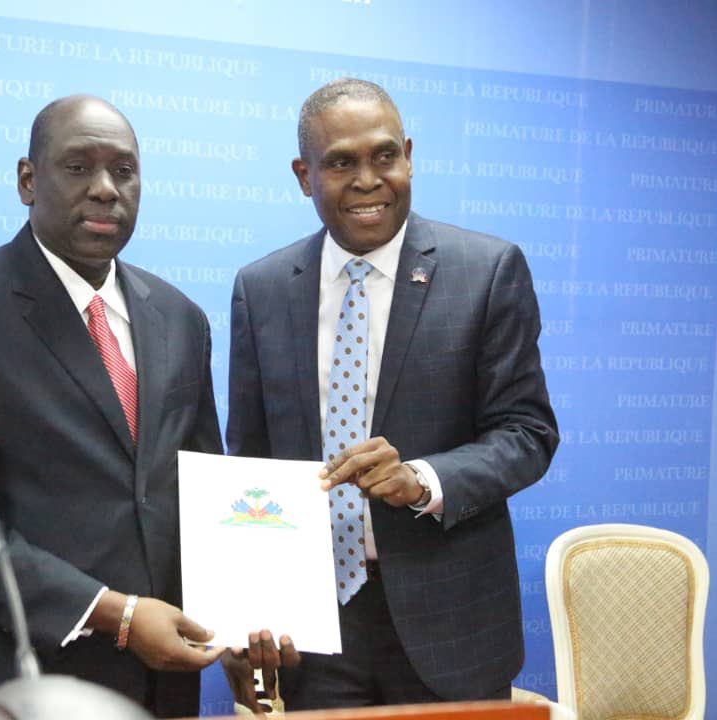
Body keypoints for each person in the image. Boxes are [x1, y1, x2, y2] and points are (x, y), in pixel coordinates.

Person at [225, 78, 560, 709]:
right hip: (312, 628)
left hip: (451, 624)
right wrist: (246, 610)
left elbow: (527, 434)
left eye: (384, 156)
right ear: (304, 176)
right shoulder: (261, 289)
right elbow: (249, 461)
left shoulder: (487, 272)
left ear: (408, 156)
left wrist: (422, 480)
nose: (368, 180)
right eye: (340, 163)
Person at [0, 94, 224, 719]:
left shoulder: (182, 319)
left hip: (160, 687)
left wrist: (247, 615)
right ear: (27, 180)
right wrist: (116, 614)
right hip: (13, 678)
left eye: (124, 171)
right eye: (78, 167)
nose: (105, 189)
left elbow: (204, 495)